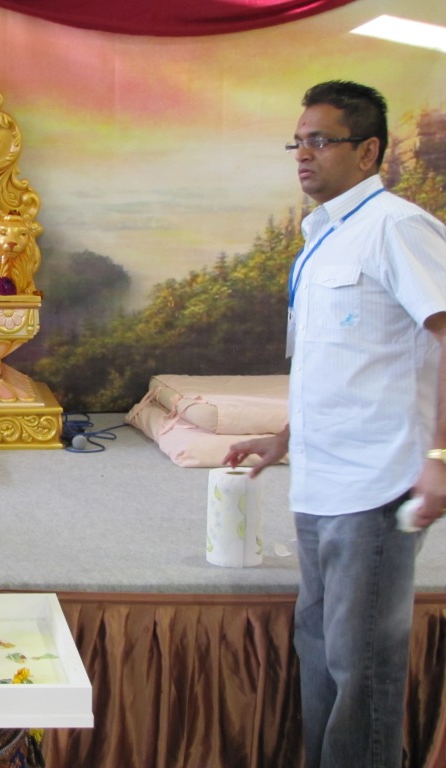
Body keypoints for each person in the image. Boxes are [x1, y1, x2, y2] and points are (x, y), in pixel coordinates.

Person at [224, 80, 446, 768]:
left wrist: (440, 456)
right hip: (319, 483)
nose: (304, 154)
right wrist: (282, 439)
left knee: (363, 670)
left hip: (376, 487)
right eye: (299, 140)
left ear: (368, 149)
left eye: (321, 140)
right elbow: (337, 362)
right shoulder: (323, 238)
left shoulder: (397, 227)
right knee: (320, 656)